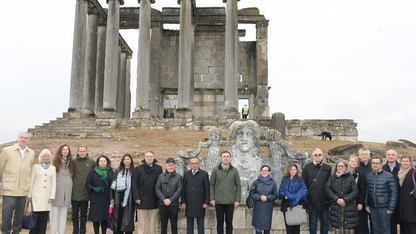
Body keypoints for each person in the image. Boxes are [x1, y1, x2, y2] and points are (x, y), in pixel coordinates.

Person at [0, 131, 35, 234]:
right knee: (7, 213)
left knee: (19, 214)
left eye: (26, 138)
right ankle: (5, 232)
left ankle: (16, 232)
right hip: (9, 188)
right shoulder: (7, 151)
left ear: (28, 140)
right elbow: (0, 168)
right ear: (18, 138)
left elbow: (28, 169)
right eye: (21, 137)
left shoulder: (31, 153)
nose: (23, 139)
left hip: (23, 189)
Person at [210, 151, 242, 234]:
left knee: (229, 223)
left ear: (230, 158)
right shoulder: (215, 170)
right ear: (221, 158)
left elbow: (238, 185)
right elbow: (212, 185)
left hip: (230, 201)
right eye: (224, 156)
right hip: (218, 201)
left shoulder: (234, 170)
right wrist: (212, 198)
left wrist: (237, 200)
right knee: (219, 223)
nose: (226, 158)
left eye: (228, 156)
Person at [132, 151, 163, 234]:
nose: (149, 158)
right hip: (141, 200)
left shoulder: (159, 168)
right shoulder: (138, 168)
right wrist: (136, 197)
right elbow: (134, 184)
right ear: (144, 158)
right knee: (142, 224)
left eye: (151, 156)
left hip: (154, 200)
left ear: (154, 157)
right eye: (147, 156)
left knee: (152, 224)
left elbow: (160, 184)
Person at [302, 148, 331, 234]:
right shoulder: (307, 167)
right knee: (312, 222)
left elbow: (330, 182)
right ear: (312, 156)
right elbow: (304, 182)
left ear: (322, 156)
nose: (318, 156)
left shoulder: (328, 167)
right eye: (316, 155)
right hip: (312, 200)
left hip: (324, 200)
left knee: (325, 223)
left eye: (319, 155)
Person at [365, 156, 397, 234]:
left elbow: (394, 193)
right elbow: (367, 191)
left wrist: (391, 208)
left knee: (385, 229)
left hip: (385, 208)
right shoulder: (368, 176)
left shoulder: (388, 176)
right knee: (375, 229)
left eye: (377, 163)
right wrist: (366, 204)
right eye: (373, 163)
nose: (375, 165)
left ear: (381, 164)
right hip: (372, 207)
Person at [325, 160, 359, 233]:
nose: (340, 167)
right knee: (338, 227)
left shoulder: (350, 177)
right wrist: (336, 199)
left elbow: (355, 191)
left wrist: (345, 200)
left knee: (348, 228)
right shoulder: (332, 177)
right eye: (338, 166)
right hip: (336, 206)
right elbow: (328, 189)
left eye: (342, 166)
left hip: (349, 206)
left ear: (346, 167)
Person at [28, 149, 56, 234]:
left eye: (48, 156)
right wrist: (29, 195)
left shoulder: (53, 168)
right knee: (34, 221)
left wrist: (52, 196)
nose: (46, 158)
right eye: (44, 156)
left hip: (47, 198)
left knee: (43, 221)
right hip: (36, 196)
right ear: (41, 157)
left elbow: (53, 183)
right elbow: (31, 181)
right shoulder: (36, 167)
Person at [86, 155, 114, 234]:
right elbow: (87, 184)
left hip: (106, 198)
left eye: (104, 161)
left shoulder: (110, 171)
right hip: (96, 198)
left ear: (107, 162)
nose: (102, 162)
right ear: (98, 162)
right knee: (96, 218)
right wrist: (93, 189)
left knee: (104, 218)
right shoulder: (93, 171)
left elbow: (114, 183)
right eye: (101, 161)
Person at [182, 157, 210, 234]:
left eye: (196, 163)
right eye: (192, 163)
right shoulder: (186, 174)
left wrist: (206, 202)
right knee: (189, 224)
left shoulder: (204, 174)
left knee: (200, 225)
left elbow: (207, 189)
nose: (194, 165)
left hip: (200, 203)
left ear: (199, 164)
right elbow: (183, 189)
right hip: (189, 203)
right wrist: (183, 201)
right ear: (190, 164)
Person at [155, 157, 183, 234]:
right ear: (166, 166)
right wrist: (164, 199)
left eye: (172, 165)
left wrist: (170, 200)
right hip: (162, 204)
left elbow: (179, 190)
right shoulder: (161, 176)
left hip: (173, 204)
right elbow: (157, 188)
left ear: (175, 166)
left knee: (174, 225)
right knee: (163, 225)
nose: (171, 167)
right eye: (169, 165)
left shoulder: (178, 177)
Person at [278, 162, 308, 234]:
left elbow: (304, 191)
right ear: (288, 170)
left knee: (296, 226)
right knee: (288, 226)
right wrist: (287, 196)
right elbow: (281, 189)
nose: (293, 171)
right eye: (291, 169)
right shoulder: (284, 179)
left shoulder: (300, 179)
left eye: (294, 169)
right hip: (286, 204)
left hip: (297, 204)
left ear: (297, 170)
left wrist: (294, 197)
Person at [51, 144, 74, 234]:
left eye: (67, 150)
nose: (65, 151)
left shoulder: (71, 163)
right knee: (54, 216)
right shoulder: (54, 162)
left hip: (67, 193)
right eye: (64, 149)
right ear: (60, 151)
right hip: (56, 192)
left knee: (63, 217)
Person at [72, 146, 96, 234]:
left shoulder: (91, 162)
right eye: (80, 151)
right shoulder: (73, 162)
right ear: (78, 152)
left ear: (86, 152)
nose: (82, 153)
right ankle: (75, 231)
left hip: (85, 194)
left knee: (83, 215)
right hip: (74, 193)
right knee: (74, 215)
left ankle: (83, 231)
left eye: (84, 151)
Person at [249, 165, 278, 234]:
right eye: (263, 170)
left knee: (266, 228)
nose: (264, 172)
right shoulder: (256, 182)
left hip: (267, 208)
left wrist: (267, 198)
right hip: (258, 207)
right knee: (258, 229)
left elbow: (275, 195)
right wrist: (259, 197)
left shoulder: (272, 183)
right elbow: (252, 193)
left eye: (266, 170)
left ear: (269, 172)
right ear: (260, 172)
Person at [110, 153, 135, 234]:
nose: (126, 161)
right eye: (125, 159)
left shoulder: (134, 171)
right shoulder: (118, 171)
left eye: (128, 159)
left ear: (131, 160)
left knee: (128, 219)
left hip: (129, 197)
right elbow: (113, 184)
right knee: (118, 217)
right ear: (122, 161)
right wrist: (112, 197)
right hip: (118, 196)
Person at [382, 149, 401, 234]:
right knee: (388, 223)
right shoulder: (382, 168)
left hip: (400, 199)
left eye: (393, 155)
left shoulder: (402, 167)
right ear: (386, 156)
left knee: (401, 222)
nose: (390, 156)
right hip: (386, 200)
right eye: (388, 154)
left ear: (396, 156)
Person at [347, 155, 366, 234]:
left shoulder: (360, 174)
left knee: (358, 224)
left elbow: (362, 190)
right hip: (346, 201)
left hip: (356, 202)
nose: (353, 163)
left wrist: (360, 203)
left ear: (358, 164)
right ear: (348, 162)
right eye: (351, 161)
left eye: (355, 162)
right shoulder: (342, 173)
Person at [397, 155, 416, 233]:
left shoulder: (414, 172)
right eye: (403, 161)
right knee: (403, 226)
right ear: (400, 162)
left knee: (412, 226)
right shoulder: (398, 173)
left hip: (412, 203)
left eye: (407, 161)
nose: (405, 163)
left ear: (410, 162)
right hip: (401, 204)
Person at [356, 147, 373, 234]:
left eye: (366, 154)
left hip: (372, 198)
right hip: (360, 199)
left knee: (373, 222)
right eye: (362, 154)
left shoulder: (373, 166)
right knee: (362, 222)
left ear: (369, 156)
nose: (364, 156)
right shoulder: (356, 166)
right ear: (359, 155)